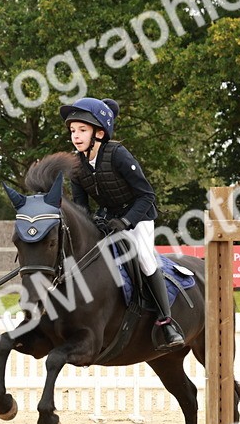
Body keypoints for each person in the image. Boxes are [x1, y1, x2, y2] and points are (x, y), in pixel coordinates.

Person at [59, 97, 183, 349]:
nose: (76, 135)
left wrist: (125, 222)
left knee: (146, 259)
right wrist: (93, 224)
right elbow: (82, 207)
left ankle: (166, 322)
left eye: (82, 130)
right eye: (73, 130)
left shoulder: (118, 154)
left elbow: (147, 196)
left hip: (138, 217)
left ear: (100, 133)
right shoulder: (76, 165)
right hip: (108, 219)